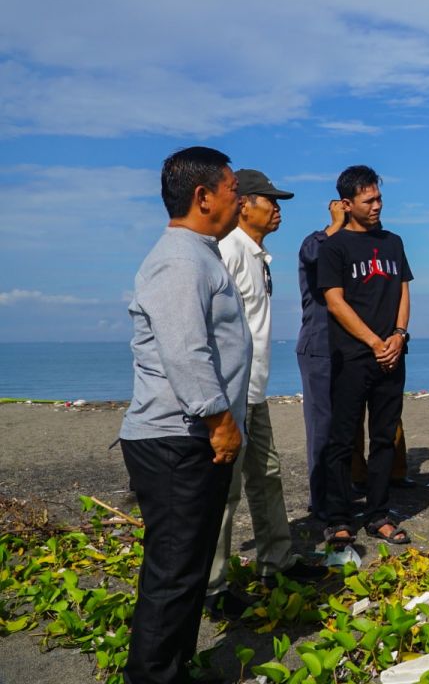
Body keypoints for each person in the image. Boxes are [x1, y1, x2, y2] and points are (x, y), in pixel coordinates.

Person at [119, 146, 250, 683]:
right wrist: (219, 421)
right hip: (178, 438)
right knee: (173, 575)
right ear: (203, 197)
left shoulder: (199, 252)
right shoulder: (180, 258)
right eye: (232, 188)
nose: (239, 198)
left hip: (190, 437)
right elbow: (184, 349)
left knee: (187, 571)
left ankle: (172, 669)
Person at [207, 170, 322, 616]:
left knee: (268, 476)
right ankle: (212, 588)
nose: (277, 208)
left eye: (278, 201)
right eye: (268, 200)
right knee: (225, 493)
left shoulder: (258, 255)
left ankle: (276, 561)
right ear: (242, 205)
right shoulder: (229, 250)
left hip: (254, 391)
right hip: (231, 394)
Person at [317, 165, 413, 548]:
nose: (376, 206)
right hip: (353, 358)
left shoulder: (393, 242)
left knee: (385, 438)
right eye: (368, 200)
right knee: (342, 440)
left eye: (379, 198)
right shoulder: (334, 246)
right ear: (347, 203)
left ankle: (378, 514)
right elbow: (334, 301)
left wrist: (399, 336)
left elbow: (403, 290)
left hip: (393, 355)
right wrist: (375, 342)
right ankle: (339, 518)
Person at [297, 199, 347, 517]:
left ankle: (342, 491)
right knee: (322, 428)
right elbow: (313, 255)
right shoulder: (317, 240)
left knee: (344, 428)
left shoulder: (353, 246)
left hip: (350, 349)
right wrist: (336, 224)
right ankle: (321, 501)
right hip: (320, 346)